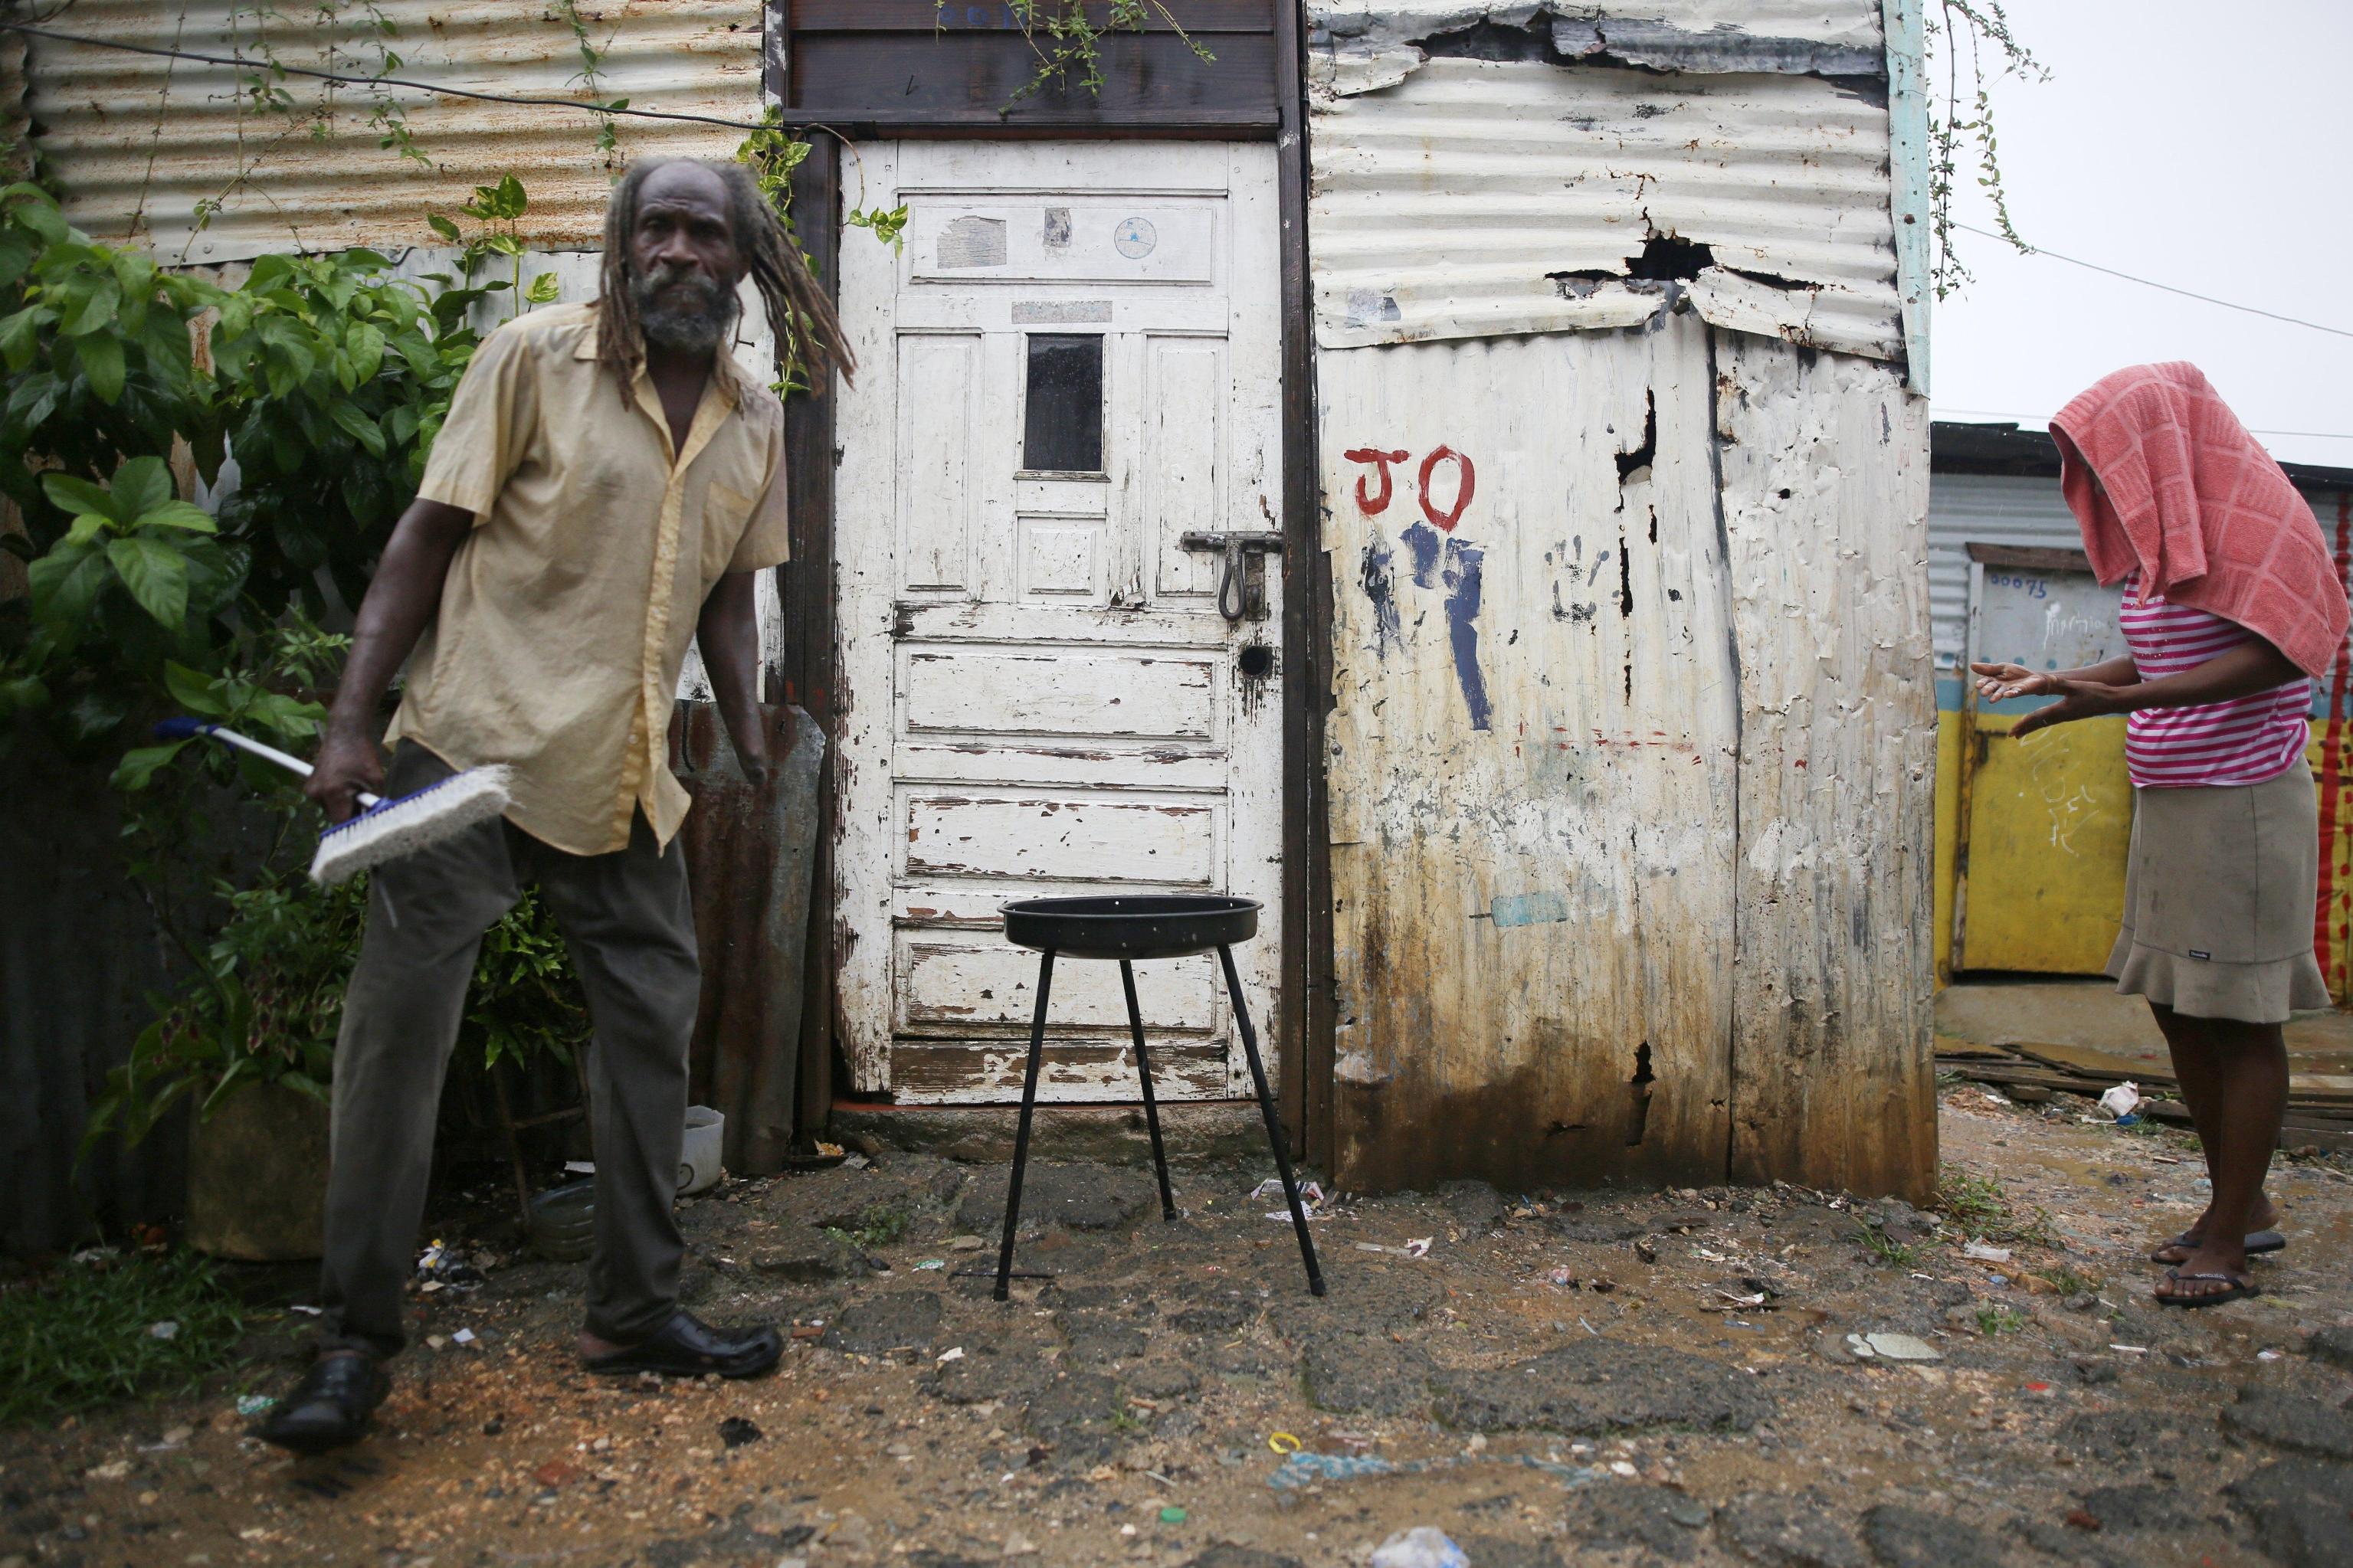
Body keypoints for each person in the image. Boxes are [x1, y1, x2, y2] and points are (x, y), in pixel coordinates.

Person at [257, 158, 854, 1452]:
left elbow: (728, 594)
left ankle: (635, 1309)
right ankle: (353, 1345)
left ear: (745, 260)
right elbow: (423, 536)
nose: (682, 252)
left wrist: (749, 729)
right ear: (624, 244)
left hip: (623, 771)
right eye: (661, 228)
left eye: (708, 233)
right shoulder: (533, 358)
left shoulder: (755, 420)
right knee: (396, 1053)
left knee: (651, 1028)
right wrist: (352, 721)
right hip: (467, 757)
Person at [1970, 362, 2346, 1309]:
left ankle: (2228, 1235)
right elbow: (2159, 653)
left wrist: (2119, 698)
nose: (2096, 477)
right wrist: (2068, 692)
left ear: (2157, 445)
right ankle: (2241, 1200)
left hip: (2242, 804)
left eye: (2107, 456)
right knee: (2177, 1004)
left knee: (2238, 1014)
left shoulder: (2262, 523)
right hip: (2170, 792)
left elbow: (2278, 650)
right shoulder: (2166, 540)